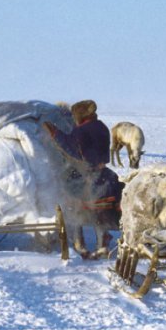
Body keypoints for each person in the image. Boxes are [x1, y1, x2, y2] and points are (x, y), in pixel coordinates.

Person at [44, 99, 123, 258]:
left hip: (86, 176)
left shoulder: (82, 130)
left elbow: (72, 148)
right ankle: (102, 242)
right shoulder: (101, 127)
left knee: (73, 207)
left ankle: (80, 245)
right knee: (100, 213)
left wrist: (55, 134)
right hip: (104, 175)